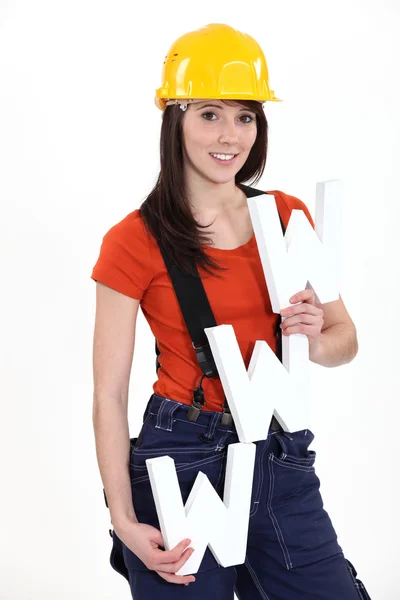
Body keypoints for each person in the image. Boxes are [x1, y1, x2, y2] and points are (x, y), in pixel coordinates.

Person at [91, 23, 371, 600]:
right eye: (210, 114)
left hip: (279, 453)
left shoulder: (287, 216)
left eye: (246, 116)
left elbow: (346, 340)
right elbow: (108, 396)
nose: (231, 135)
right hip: (182, 459)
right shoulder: (133, 239)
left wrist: (314, 338)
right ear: (176, 119)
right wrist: (121, 515)